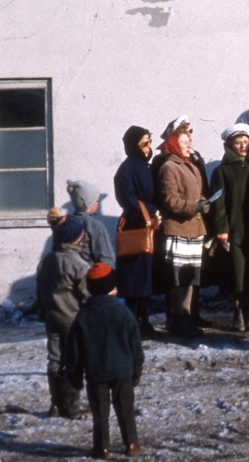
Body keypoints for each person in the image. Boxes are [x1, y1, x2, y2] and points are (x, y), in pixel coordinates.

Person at [64, 263, 143, 459]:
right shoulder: (124, 313)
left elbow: (73, 351)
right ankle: (131, 444)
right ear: (112, 287)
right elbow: (136, 346)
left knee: (100, 414)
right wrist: (136, 370)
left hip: (96, 373)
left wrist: (74, 377)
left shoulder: (83, 316)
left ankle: (102, 447)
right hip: (123, 372)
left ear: (89, 288)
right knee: (126, 411)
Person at [210, 123, 249, 332]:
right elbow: (217, 203)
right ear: (230, 145)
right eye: (238, 143)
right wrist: (221, 227)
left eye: (246, 142)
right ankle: (237, 313)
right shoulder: (221, 171)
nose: (243, 146)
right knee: (238, 273)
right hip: (234, 231)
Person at [155, 123, 210, 337]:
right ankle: (177, 318)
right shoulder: (169, 167)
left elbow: (197, 193)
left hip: (194, 229)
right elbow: (171, 201)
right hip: (178, 229)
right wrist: (194, 206)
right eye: (185, 142)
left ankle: (186, 316)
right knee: (178, 279)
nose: (189, 145)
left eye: (190, 142)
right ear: (174, 145)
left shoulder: (191, 165)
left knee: (190, 277)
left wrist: (204, 202)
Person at [37, 216, 90, 419]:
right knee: (73, 362)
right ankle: (72, 405)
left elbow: (40, 291)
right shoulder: (78, 264)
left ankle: (56, 404)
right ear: (77, 238)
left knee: (55, 360)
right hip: (73, 320)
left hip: (52, 318)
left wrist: (44, 312)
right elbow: (87, 295)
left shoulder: (46, 261)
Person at [113, 126, 158, 337]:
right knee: (133, 276)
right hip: (134, 226)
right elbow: (128, 197)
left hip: (148, 225)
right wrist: (150, 211)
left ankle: (143, 317)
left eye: (150, 142)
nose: (149, 148)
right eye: (144, 144)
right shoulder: (127, 169)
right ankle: (133, 321)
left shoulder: (145, 166)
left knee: (146, 276)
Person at [63, 181, 115, 267]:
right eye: (96, 200)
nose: (98, 203)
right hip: (89, 276)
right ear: (89, 203)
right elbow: (107, 258)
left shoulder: (66, 223)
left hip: (68, 276)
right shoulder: (95, 225)